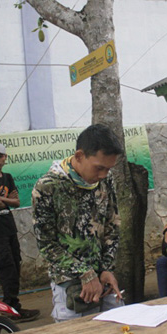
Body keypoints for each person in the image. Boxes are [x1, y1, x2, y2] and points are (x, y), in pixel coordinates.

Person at [32, 124, 124, 322]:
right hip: (71, 285)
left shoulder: (106, 181)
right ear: (80, 155)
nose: (103, 175)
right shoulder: (48, 187)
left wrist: (107, 267)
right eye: (99, 168)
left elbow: (112, 226)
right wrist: (85, 273)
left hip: (104, 280)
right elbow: (47, 244)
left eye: (108, 169)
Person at [0, 142, 40, 322]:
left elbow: (17, 202)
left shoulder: (8, 177)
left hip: (9, 227)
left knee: (15, 264)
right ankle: (10, 309)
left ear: (5, 157)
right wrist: (4, 200)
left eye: (0, 156)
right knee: (6, 268)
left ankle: (14, 305)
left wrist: (0, 199)